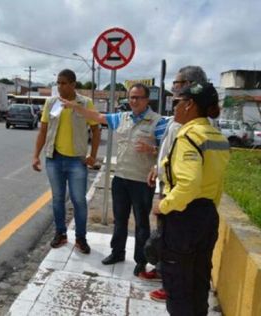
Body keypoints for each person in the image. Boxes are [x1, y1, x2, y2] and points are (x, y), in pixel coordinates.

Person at [62, 83, 166, 275]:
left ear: (146, 100)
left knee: (142, 223)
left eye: (138, 97)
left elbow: (166, 153)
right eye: (131, 97)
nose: (134, 101)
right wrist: (75, 107)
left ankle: (140, 261)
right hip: (120, 178)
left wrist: (152, 150)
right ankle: (117, 252)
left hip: (142, 181)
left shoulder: (158, 122)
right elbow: (98, 117)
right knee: (119, 220)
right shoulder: (122, 118)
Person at [153, 82, 229, 315]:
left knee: (178, 287)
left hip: (184, 219)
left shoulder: (189, 136)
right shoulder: (217, 136)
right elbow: (215, 183)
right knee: (198, 281)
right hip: (207, 215)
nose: (174, 108)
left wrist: (162, 206)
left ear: (190, 105)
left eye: (177, 102)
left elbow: (188, 184)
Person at [142, 66, 209, 302]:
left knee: (175, 242)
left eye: (178, 83)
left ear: (190, 84)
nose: (173, 87)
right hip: (169, 184)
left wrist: (167, 202)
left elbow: (188, 173)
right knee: (165, 235)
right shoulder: (180, 116)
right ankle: (163, 273)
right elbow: (169, 151)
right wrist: (156, 168)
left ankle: (171, 286)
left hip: (181, 195)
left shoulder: (191, 120)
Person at [32, 69, 100, 254]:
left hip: (77, 161)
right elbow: (43, 131)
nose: (60, 86)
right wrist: (36, 155)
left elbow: (96, 129)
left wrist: (93, 155)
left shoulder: (85, 103)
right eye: (58, 83)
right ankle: (60, 234)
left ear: (73, 84)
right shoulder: (51, 103)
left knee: (79, 200)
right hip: (54, 159)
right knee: (58, 199)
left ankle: (81, 238)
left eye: (63, 83)